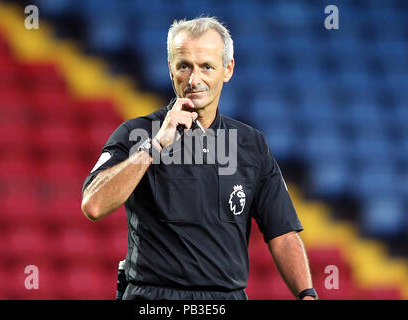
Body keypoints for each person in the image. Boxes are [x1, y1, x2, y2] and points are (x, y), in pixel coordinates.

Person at [81, 17, 317, 300]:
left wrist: (307, 294)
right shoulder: (136, 133)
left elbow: (283, 234)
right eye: (184, 66)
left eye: (206, 66)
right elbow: (93, 205)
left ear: (227, 69)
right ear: (170, 69)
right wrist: (155, 146)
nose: (194, 79)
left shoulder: (251, 144)